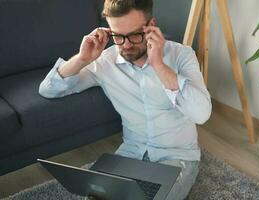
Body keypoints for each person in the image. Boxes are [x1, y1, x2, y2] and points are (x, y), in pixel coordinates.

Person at [39, 0, 211, 199]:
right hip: (131, 154)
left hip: (177, 157)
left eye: (135, 35)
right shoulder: (105, 62)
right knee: (95, 196)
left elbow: (201, 114)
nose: (126, 45)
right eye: (118, 36)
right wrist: (82, 59)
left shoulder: (182, 55)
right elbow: (48, 89)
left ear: (151, 26)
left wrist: (159, 66)